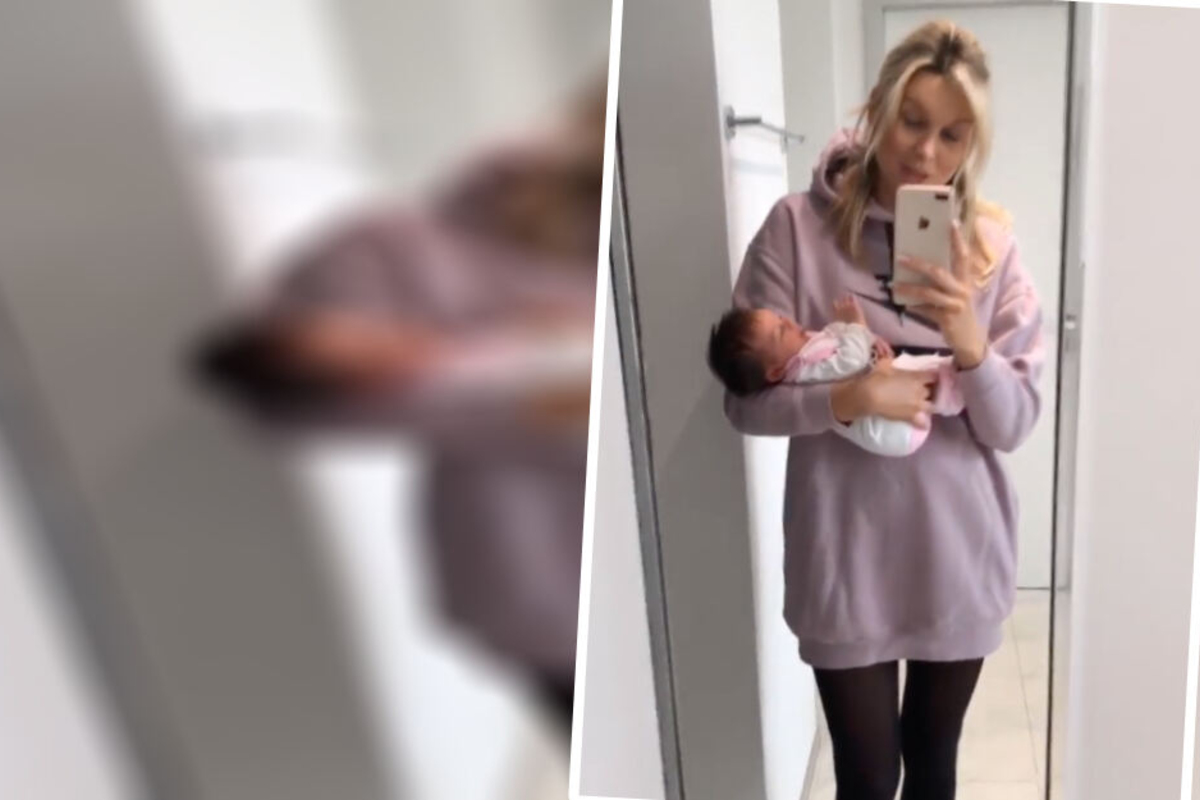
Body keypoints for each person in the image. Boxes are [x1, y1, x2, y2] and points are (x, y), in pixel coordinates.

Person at [193, 78, 606, 733]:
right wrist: (540, 376)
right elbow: (277, 381)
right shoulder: (406, 245)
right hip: (550, 595)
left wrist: (528, 370)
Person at [721, 21, 1044, 800]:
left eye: (952, 134)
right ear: (876, 108)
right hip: (845, 560)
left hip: (957, 555)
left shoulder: (991, 249)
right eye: (911, 120)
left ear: (971, 146)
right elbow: (744, 404)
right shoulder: (795, 230)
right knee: (867, 778)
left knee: (933, 767)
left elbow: (1013, 424)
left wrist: (968, 338)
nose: (926, 152)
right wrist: (849, 398)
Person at [707, 296, 964, 456]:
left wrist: (869, 340)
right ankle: (956, 391)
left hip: (894, 415)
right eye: (781, 331)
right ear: (775, 372)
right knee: (926, 372)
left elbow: (836, 338)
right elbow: (852, 360)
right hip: (891, 428)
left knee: (917, 368)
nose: (789, 322)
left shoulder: (804, 348)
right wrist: (857, 326)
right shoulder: (805, 368)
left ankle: (955, 383)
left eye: (780, 318)